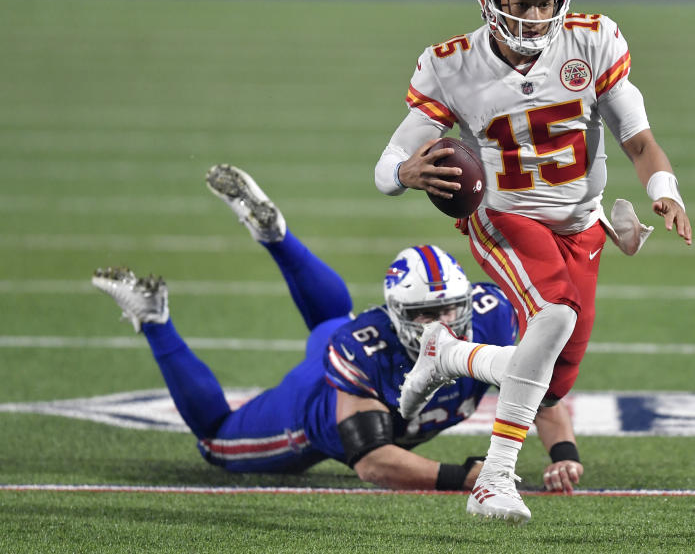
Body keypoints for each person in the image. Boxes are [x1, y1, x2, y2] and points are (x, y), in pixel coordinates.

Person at [375, 0, 692, 523]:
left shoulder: (593, 41)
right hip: (502, 214)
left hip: (582, 221)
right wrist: (407, 172)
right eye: (518, 1)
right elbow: (386, 165)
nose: (532, 15)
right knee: (555, 316)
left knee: (553, 383)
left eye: (544, 2)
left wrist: (663, 189)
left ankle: (447, 355)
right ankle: (494, 479)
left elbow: (639, 137)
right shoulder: (452, 65)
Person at [91, 164, 582, 493]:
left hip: (340, 334)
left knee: (330, 319)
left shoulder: (493, 313)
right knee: (216, 442)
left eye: (450, 309)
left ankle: (276, 236)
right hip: (316, 407)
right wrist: (463, 475)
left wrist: (562, 454)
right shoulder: (365, 348)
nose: (441, 324)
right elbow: (371, 460)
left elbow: (540, 391)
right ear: (395, 316)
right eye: (423, 316)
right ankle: (154, 317)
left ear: (467, 301)